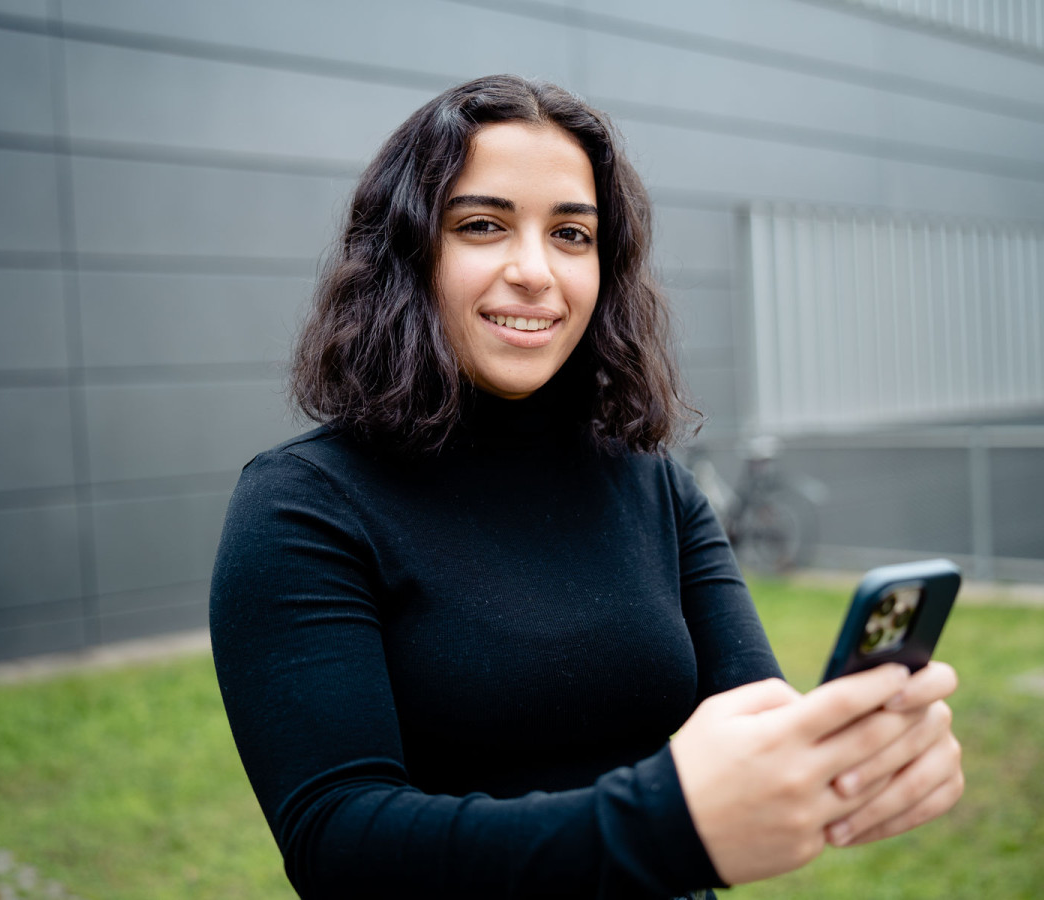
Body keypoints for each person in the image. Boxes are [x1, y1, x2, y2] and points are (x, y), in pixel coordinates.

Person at [209, 74, 963, 900]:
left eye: (572, 234)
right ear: (408, 252)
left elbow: (754, 722)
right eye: (484, 225)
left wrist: (854, 759)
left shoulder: (650, 481)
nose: (536, 271)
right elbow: (339, 844)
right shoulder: (301, 505)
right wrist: (669, 827)